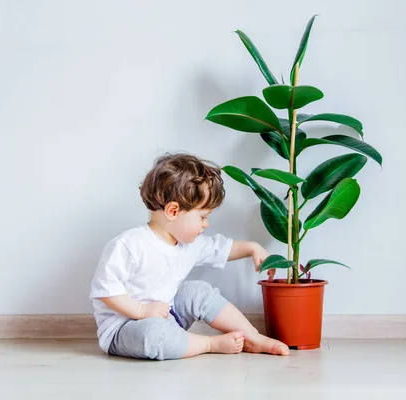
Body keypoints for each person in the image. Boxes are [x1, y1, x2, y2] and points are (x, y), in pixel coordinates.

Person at [90, 153, 290, 360]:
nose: (206, 224)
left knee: (198, 291)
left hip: (167, 314)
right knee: (154, 335)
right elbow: (106, 290)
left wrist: (252, 248)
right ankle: (209, 343)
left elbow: (221, 249)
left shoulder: (189, 243)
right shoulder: (130, 245)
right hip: (125, 328)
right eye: (203, 217)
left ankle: (253, 338)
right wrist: (142, 311)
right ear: (173, 211)